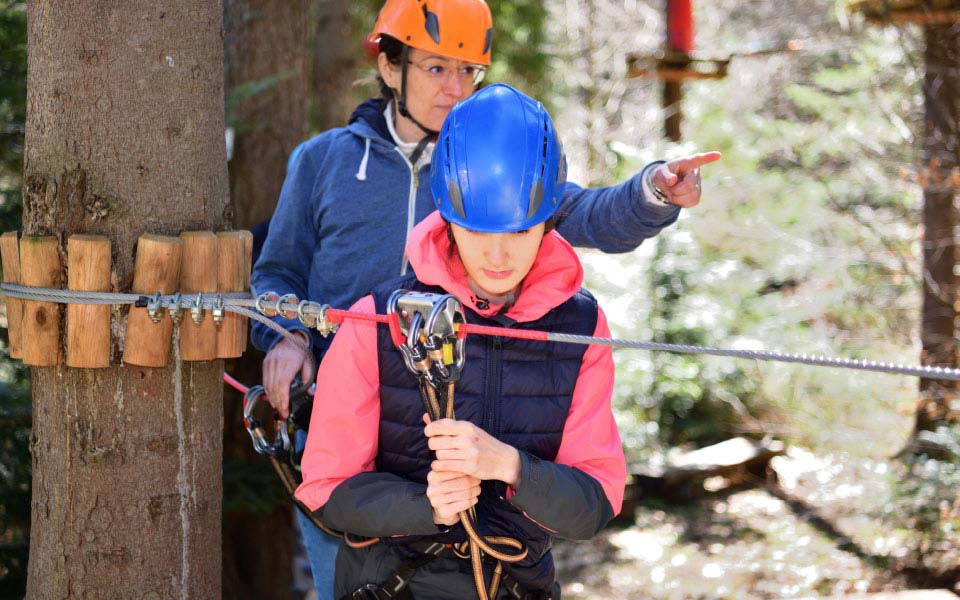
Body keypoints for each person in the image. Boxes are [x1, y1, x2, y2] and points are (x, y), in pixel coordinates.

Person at [250, 0, 718, 595]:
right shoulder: (325, 162)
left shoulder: (491, 170)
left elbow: (588, 213)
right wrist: (287, 337)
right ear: (390, 67)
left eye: (468, 71)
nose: (454, 88)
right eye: (436, 68)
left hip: (474, 408)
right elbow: (278, 271)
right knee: (348, 570)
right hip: (345, 418)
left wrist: (653, 191)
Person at [295, 83, 626, 600]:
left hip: (515, 586)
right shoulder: (376, 320)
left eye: (518, 232)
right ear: (448, 220)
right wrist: (426, 506)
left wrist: (511, 466)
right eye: (477, 232)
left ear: (547, 221)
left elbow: (594, 505)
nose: (498, 257)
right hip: (391, 588)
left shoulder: (580, 326)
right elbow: (325, 490)